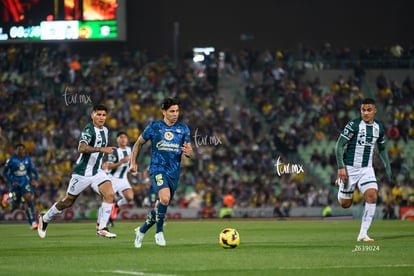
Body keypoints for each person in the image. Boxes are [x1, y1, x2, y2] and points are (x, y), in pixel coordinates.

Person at [37, 104, 117, 239]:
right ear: (92, 115)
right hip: (82, 172)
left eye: (104, 115)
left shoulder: (106, 130)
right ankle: (45, 219)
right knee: (68, 201)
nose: (101, 117)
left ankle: (102, 228)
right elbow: (81, 148)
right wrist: (101, 149)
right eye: (98, 114)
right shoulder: (88, 130)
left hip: (97, 171)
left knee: (109, 194)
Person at [130, 97, 193, 248]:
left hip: (174, 173)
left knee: (160, 206)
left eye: (177, 111)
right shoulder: (154, 127)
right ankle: (159, 232)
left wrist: (189, 152)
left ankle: (141, 230)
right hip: (157, 169)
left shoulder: (183, 129)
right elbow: (138, 143)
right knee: (164, 199)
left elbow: (189, 150)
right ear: (163, 112)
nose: (175, 114)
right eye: (172, 111)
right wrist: (133, 162)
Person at [335, 98, 392, 242]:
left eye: (368, 110)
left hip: (367, 169)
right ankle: (341, 186)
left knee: (372, 194)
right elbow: (339, 145)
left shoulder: (379, 127)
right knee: (345, 204)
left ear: (374, 111)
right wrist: (341, 167)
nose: (365, 113)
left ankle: (363, 233)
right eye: (363, 110)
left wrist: (387, 164)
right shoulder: (353, 125)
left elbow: (382, 147)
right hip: (349, 169)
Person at [99, 131, 134, 227]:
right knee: (107, 200)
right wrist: (122, 161)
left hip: (123, 179)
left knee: (130, 197)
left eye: (125, 137)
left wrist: (133, 168)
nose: (123, 139)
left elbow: (132, 164)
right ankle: (103, 222)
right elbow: (109, 166)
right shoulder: (115, 151)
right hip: (113, 178)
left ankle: (117, 205)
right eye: (121, 137)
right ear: (117, 139)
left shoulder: (130, 150)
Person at [2, 143, 39, 229]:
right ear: (16, 151)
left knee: (28, 198)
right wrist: (12, 181)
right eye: (19, 150)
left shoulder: (28, 159)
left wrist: (34, 179)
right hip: (15, 184)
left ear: (24, 150)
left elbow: (33, 171)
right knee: (17, 205)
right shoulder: (11, 160)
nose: (21, 151)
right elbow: (4, 172)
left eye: (22, 149)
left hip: (25, 183)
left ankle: (33, 222)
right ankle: (7, 198)